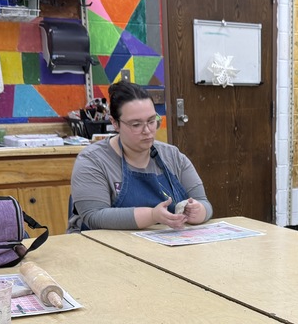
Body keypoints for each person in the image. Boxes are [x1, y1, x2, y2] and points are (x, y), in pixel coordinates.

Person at [68, 81, 212, 231]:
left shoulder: (173, 156)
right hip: (104, 248)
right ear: (115, 123)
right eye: (136, 124)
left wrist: (198, 211)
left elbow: (203, 202)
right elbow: (94, 217)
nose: (147, 130)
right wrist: (152, 216)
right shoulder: (93, 161)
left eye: (151, 121)